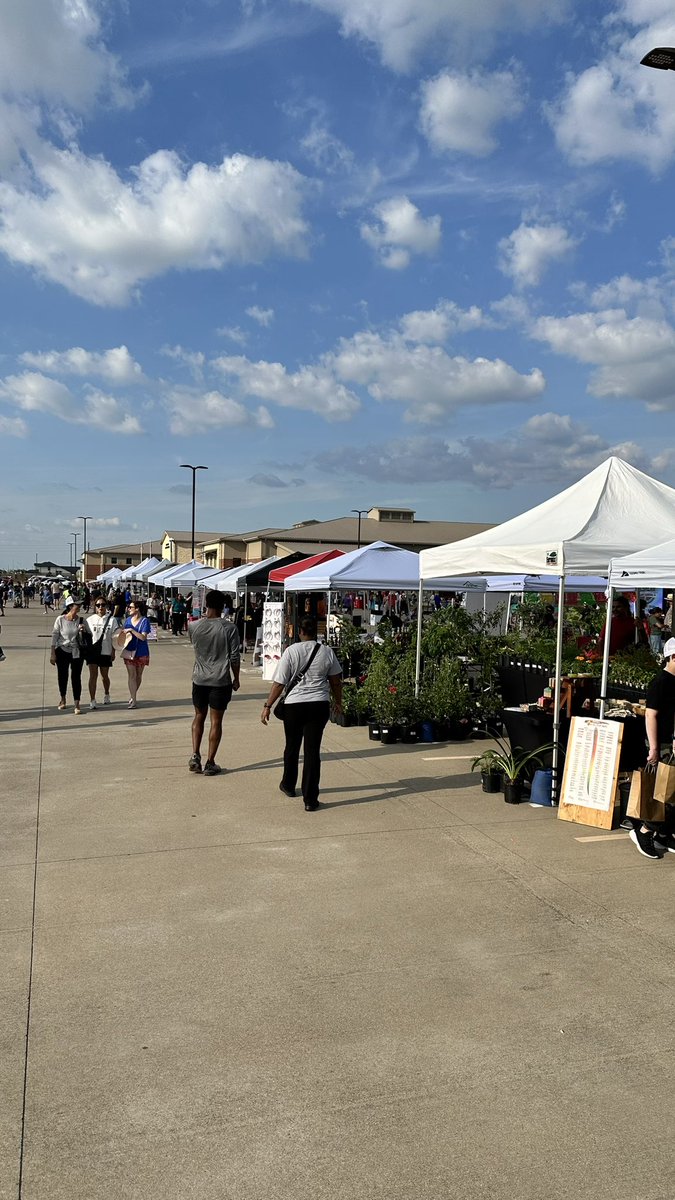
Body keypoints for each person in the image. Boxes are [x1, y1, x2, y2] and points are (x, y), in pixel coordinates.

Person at [261, 617, 342, 812]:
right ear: (316, 632)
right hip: (318, 705)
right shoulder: (327, 652)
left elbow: (279, 682)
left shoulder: (291, 651)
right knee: (312, 752)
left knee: (292, 746)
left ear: (299, 632)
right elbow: (335, 681)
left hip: (294, 706)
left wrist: (267, 705)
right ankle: (310, 799)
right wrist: (338, 702)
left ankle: (288, 784)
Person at [187, 590, 241, 776]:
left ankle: (195, 755)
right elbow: (234, 657)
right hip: (220, 680)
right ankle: (210, 762)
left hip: (199, 678)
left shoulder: (193, 626)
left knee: (198, 716)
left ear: (206, 604)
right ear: (223, 606)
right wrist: (236, 678)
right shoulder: (229, 628)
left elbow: (195, 646)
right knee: (216, 721)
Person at [631, 636, 675, 859]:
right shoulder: (661, 682)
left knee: (670, 791)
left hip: (670, 741)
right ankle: (645, 831)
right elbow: (651, 715)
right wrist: (655, 748)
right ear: (672, 657)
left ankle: (663, 832)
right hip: (663, 743)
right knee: (666, 792)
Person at [50, 601, 85, 714]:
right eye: (77, 605)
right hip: (62, 651)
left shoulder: (81, 620)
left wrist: (83, 631)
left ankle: (77, 703)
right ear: (70, 606)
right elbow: (55, 635)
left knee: (76, 677)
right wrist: (52, 653)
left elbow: (89, 635)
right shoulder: (60, 619)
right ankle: (63, 699)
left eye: (80, 605)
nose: (79, 607)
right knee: (62, 676)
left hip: (76, 652)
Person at [85, 598, 119, 709]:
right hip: (93, 652)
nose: (100, 607)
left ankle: (106, 693)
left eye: (103, 605)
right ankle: (92, 700)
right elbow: (86, 637)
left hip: (106, 651)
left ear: (106, 606)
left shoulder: (112, 620)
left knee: (104, 676)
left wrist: (113, 651)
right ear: (95, 606)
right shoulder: (89, 620)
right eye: (98, 605)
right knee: (93, 675)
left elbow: (115, 637)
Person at [122, 599, 151, 709]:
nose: (129, 609)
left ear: (137, 609)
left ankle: (132, 695)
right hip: (129, 650)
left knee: (138, 675)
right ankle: (133, 699)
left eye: (131, 607)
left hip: (141, 651)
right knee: (131, 675)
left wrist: (132, 631)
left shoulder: (144, 621)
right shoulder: (128, 620)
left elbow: (143, 637)